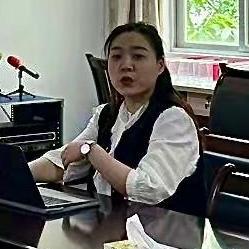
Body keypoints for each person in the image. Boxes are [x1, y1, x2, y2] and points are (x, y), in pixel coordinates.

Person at [28, 22, 205, 215]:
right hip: (113, 224)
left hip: (164, 229)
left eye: (138, 56)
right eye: (116, 56)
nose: (126, 66)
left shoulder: (174, 120)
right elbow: (64, 160)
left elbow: (149, 188)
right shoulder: (106, 114)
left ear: (160, 65)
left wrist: (91, 150)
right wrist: (16, 173)